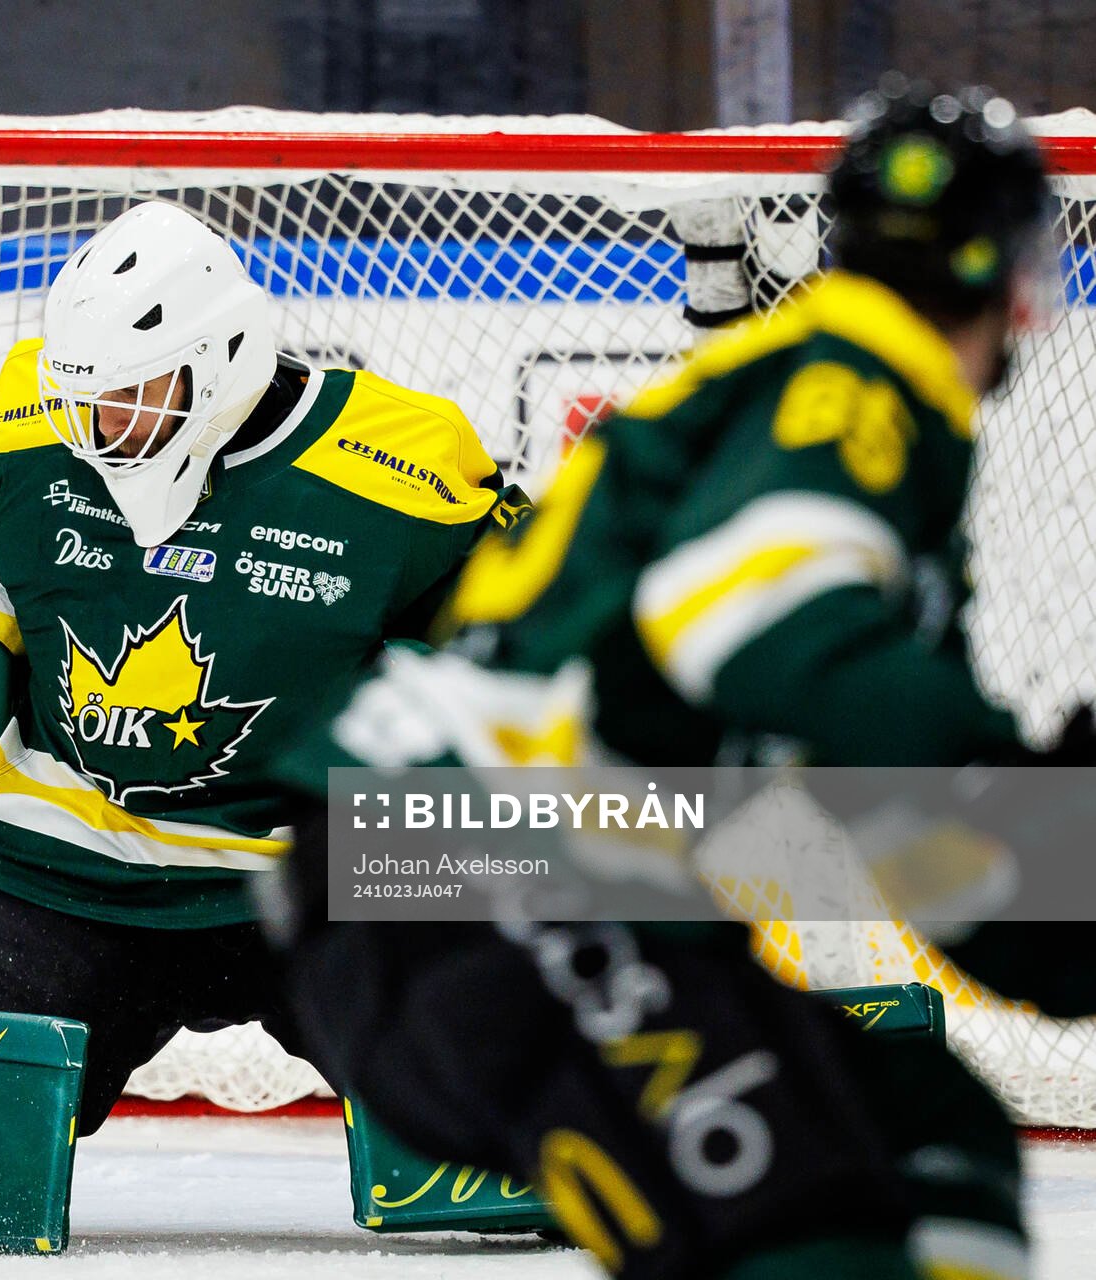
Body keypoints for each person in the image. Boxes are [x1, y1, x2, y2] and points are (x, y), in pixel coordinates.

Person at [267, 78, 1087, 1280]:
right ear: (994, 270)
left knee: (929, 1137)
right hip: (469, 871)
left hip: (442, 876)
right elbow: (748, 623)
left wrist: (1055, 918)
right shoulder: (855, 391)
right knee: (815, 1240)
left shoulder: (811, 413)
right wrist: (1007, 786)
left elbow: (880, 801)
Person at [0, 199, 527, 1136]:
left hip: (328, 874)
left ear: (221, 362)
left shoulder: (401, 470)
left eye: (131, 394)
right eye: (82, 396)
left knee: (511, 1129)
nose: (97, 426)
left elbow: (516, 664)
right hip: (62, 863)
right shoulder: (27, 437)